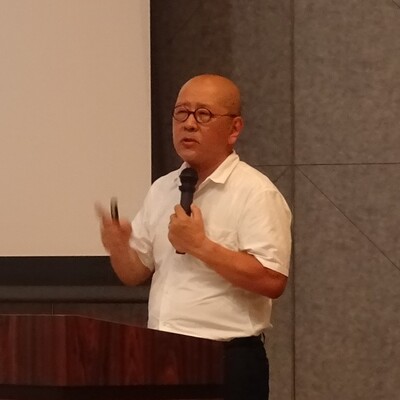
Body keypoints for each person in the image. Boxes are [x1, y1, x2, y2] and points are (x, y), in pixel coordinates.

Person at [96, 74, 292, 400]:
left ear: (234, 129)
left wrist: (200, 246)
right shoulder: (162, 189)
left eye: (203, 114)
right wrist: (118, 247)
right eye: (181, 113)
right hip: (160, 355)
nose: (188, 124)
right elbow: (134, 273)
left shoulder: (256, 193)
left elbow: (272, 279)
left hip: (226, 361)